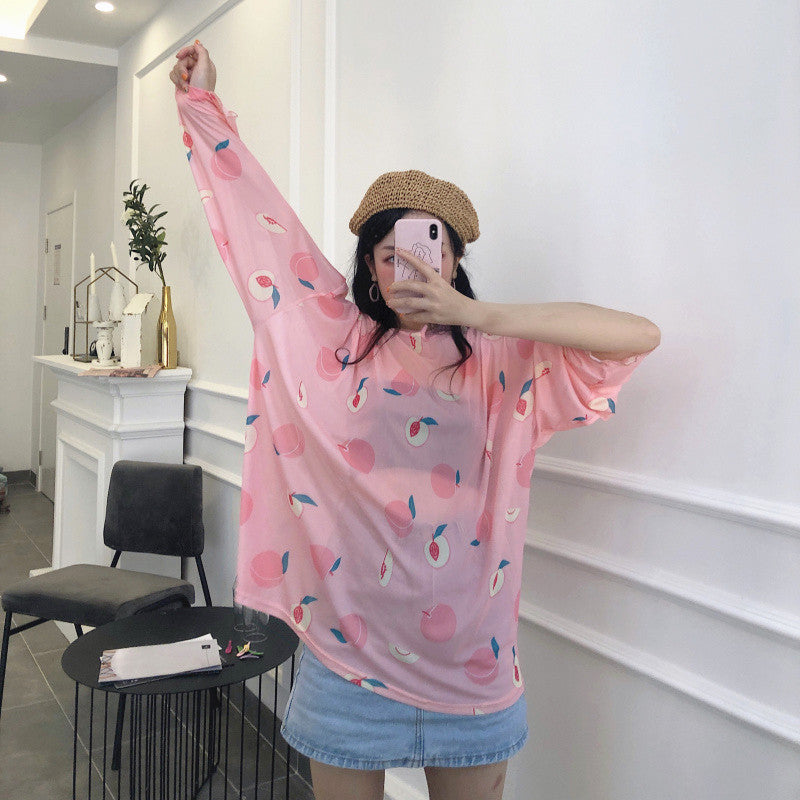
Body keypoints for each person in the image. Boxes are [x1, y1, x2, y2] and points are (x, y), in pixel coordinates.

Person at [170, 40, 660, 800]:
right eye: (390, 252)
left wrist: (478, 314)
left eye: (432, 248)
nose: (410, 267)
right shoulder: (324, 338)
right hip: (346, 669)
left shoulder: (502, 361)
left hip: (473, 669)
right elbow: (254, 221)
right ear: (369, 264)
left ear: (456, 259)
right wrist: (205, 106)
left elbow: (637, 336)